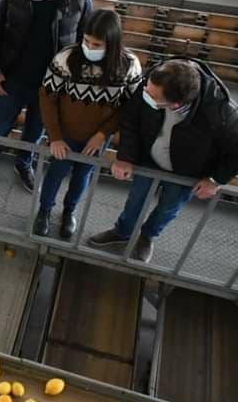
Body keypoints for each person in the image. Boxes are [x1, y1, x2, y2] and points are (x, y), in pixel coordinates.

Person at [88, 58, 238, 262]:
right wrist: (125, 158)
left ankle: (148, 236)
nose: (144, 94)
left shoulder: (221, 112)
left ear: (176, 104)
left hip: (187, 170)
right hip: (149, 158)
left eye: (151, 96)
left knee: (168, 207)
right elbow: (131, 119)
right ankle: (122, 231)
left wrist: (216, 180)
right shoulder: (153, 81)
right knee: (136, 198)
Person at [0, 0, 93, 192]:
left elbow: (86, 44)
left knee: (35, 131)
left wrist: (70, 84)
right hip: (12, 80)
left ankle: (24, 162)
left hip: (51, 88)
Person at [33, 9, 142, 238]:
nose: (89, 48)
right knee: (55, 172)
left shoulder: (130, 66)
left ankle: (69, 211)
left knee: (83, 175)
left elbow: (129, 107)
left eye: (97, 44)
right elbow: (47, 97)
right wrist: (55, 136)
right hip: (65, 133)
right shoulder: (66, 58)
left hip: (96, 137)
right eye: (86, 41)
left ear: (112, 43)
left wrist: (103, 133)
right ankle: (44, 210)